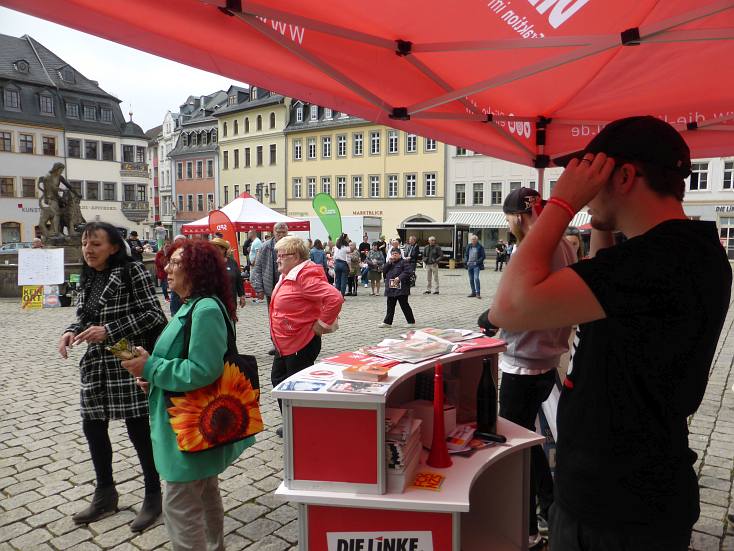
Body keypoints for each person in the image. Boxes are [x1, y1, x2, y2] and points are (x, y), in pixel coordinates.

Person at [490, 116, 732, 551]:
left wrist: (562, 204)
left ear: (623, 176)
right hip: (636, 489)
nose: (584, 188)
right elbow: (607, 293)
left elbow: (508, 307)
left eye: (591, 175)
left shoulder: (656, 261)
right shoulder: (684, 250)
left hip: (612, 510)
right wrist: (601, 224)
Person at [120, 239, 253, 550]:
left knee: (180, 506)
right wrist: (153, 378)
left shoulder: (204, 309)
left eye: (176, 263)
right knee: (205, 494)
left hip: (190, 425)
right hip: (189, 419)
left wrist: (151, 367)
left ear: (196, 269)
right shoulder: (194, 305)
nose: (167, 268)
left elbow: (203, 370)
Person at [57, 221, 167, 532]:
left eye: (96, 244)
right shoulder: (89, 275)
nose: (88, 250)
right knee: (92, 426)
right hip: (95, 363)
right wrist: (71, 331)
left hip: (127, 356)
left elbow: (154, 314)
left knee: (138, 429)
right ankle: (105, 493)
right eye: (85, 244)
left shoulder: (132, 271)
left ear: (114, 247)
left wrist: (109, 330)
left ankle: (153, 494)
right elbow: (83, 316)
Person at [497, 187, 577, 549]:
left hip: (522, 362)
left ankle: (527, 529)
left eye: (508, 218)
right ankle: (551, 508)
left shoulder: (530, 248)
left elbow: (515, 305)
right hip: (547, 359)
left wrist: (492, 319)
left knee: (516, 449)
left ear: (519, 215)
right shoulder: (564, 245)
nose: (508, 225)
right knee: (530, 443)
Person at [270, 236, 344, 436]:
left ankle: (301, 426)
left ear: (295, 257)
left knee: (295, 386)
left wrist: (321, 324)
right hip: (286, 342)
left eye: (282, 255)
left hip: (300, 342)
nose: (278, 259)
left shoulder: (304, 277)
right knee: (279, 379)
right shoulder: (289, 274)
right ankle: (293, 422)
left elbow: (335, 298)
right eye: (278, 255)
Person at [251, 223, 289, 354]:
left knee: (289, 316)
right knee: (274, 317)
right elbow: (257, 268)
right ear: (273, 232)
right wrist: (259, 288)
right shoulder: (265, 247)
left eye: (283, 232)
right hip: (271, 289)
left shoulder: (293, 245)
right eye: (278, 233)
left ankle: (289, 342)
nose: (281, 235)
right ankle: (276, 343)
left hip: (289, 288)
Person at [380, 248, 416, 327]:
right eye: (393, 254)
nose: (394, 255)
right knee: (390, 305)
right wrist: (389, 263)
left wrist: (399, 277)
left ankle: (411, 322)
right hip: (391, 287)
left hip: (401, 287)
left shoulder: (404, 262)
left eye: (396, 254)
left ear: (400, 255)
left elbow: (408, 272)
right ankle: (387, 322)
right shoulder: (390, 263)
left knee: (404, 305)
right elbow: (384, 270)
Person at [211, 237, 246, 310]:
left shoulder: (232, 262)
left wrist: (242, 296)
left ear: (224, 250)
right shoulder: (209, 263)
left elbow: (239, 280)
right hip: (214, 300)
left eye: (217, 248)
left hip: (230, 299)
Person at [169, 234, 187, 316]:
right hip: (176, 280)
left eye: (181, 241)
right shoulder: (172, 252)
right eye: (177, 242)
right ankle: (174, 314)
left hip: (184, 280)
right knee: (175, 296)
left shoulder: (188, 252)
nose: (179, 244)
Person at [464, 234, 485, 299]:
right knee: (471, 279)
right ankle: (473, 292)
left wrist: (477, 262)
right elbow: (466, 254)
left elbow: (483, 256)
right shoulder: (468, 246)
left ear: (476, 240)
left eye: (474, 239)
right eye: (472, 239)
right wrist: (466, 261)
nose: (473, 240)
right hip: (469, 265)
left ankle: (478, 293)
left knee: (476, 278)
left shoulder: (480, 247)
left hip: (476, 265)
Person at [332, 233, 350, 297]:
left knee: (337, 281)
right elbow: (348, 258)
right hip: (343, 264)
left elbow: (334, 257)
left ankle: (336, 296)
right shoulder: (346, 247)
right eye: (347, 238)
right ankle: (342, 296)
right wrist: (349, 267)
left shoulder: (336, 247)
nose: (348, 239)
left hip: (337, 263)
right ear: (345, 239)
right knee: (343, 281)